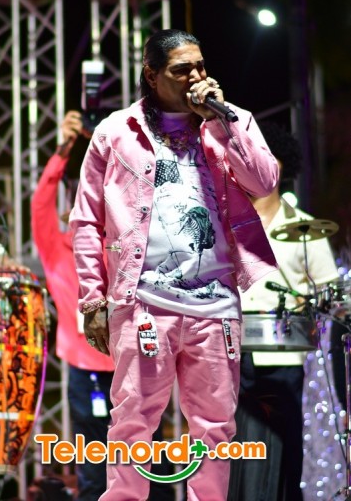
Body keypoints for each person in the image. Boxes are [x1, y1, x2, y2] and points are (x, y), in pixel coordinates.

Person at [70, 28, 279, 501]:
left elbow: (264, 182)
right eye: (182, 70)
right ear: (152, 75)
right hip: (143, 304)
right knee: (132, 423)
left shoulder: (231, 120)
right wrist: (92, 300)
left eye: (200, 66)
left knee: (216, 429)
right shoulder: (115, 132)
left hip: (216, 305)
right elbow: (86, 219)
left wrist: (222, 122)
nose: (196, 77)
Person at [31, 111, 174, 501]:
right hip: (85, 368)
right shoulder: (56, 249)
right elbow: (41, 204)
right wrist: (63, 149)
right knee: (94, 466)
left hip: (135, 362)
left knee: (150, 462)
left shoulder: (124, 244)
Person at [228, 121, 339, 501]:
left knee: (283, 447)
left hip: (284, 355)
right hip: (233, 355)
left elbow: (329, 293)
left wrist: (312, 303)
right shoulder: (227, 224)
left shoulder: (305, 228)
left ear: (276, 166)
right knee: (237, 451)